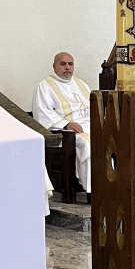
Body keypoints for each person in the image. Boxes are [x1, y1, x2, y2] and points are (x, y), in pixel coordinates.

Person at [31, 52, 93, 193]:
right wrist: (66, 124)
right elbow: (42, 112)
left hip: (89, 125)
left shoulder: (81, 84)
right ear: (54, 66)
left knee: (109, 140)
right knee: (88, 143)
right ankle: (92, 189)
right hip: (66, 132)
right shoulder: (45, 86)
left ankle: (108, 185)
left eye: (70, 64)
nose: (67, 67)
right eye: (63, 64)